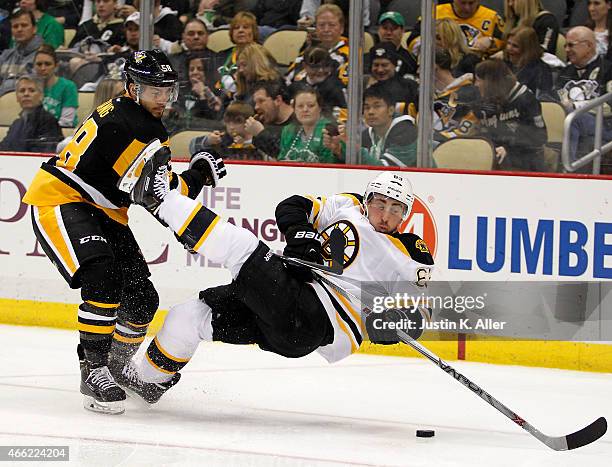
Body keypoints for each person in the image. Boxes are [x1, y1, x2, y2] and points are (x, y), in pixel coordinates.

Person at [116, 159, 434, 404]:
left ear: (405, 215)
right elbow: (293, 206)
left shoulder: (411, 251)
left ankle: (161, 199)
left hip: (315, 321)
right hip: (286, 302)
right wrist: (301, 236)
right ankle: (146, 380)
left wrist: (394, 322)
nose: (385, 214)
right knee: (189, 316)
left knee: (241, 248)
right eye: (380, 203)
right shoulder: (347, 205)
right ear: (367, 200)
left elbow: (424, 309)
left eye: (396, 208)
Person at [21, 49, 213, 415]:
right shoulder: (137, 125)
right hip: (62, 198)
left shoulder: (133, 116)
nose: (162, 99)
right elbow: (156, 196)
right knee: (103, 276)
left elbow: (154, 187)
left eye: (167, 91)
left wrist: (191, 177)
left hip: (106, 210)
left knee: (142, 300)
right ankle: (93, 368)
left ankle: (117, 367)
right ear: (131, 87)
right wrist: (199, 175)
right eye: (154, 90)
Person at [474, 59, 548, 171]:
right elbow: (484, 131)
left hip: (525, 160)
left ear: (490, 82)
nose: (476, 84)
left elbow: (539, 136)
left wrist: (508, 149)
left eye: (478, 80)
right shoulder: (487, 100)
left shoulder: (525, 99)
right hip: (495, 155)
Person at [555, 26, 612, 164]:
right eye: (565, 45)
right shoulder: (565, 72)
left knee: (573, 117)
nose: (566, 50)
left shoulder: (609, 69)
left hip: (603, 125)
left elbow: (609, 106)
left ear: (589, 46)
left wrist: (574, 106)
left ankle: (569, 168)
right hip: (569, 123)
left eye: (571, 45)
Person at [324, 83, 419, 166]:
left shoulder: (406, 132)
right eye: (367, 107)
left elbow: (386, 172)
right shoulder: (367, 135)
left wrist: (352, 146)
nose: (370, 112)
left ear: (391, 110)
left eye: (377, 106)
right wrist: (339, 151)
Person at [410, 0, 505, 57]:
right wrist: (432, 43)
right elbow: (411, 40)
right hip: (441, 65)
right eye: (462, 3)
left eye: (471, 3)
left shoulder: (491, 17)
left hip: (478, 68)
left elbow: (507, 44)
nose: (467, 8)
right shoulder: (435, 12)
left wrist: (491, 41)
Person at [287, 4, 349, 86]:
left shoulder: (350, 51)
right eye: (321, 25)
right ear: (315, 28)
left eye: (332, 25)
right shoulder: (309, 50)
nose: (326, 30)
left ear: (341, 28)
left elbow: (327, 79)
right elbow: (290, 77)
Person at [0, 74, 62, 151]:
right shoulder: (16, 124)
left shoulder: (48, 121)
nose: (26, 94)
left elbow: (45, 152)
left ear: (41, 96)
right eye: (22, 91)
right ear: (17, 97)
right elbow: (3, 148)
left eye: (31, 90)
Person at [278, 86, 339, 163]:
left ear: (319, 108)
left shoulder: (329, 129)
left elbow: (331, 163)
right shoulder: (288, 130)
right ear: (294, 110)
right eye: (300, 106)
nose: (305, 110)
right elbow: (281, 161)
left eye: (311, 106)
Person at [433, 49, 480, 141]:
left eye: (420, 67)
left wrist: (435, 138)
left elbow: (466, 129)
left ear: (434, 67)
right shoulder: (425, 93)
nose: (418, 71)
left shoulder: (469, 92)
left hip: (456, 148)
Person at [366, 42, 419, 118]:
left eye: (385, 65)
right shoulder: (365, 88)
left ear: (395, 65)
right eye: (376, 65)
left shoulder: (410, 87)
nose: (380, 69)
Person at [288, 46, 347, 115]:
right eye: (315, 66)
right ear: (305, 66)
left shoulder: (337, 87)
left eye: (326, 66)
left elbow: (345, 113)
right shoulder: (295, 88)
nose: (320, 70)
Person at [503, 26, 555, 99]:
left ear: (527, 49)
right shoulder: (503, 63)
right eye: (508, 43)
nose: (509, 48)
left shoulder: (541, 70)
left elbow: (543, 99)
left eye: (515, 46)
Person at [0, 9, 44, 96]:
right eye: (15, 26)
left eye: (24, 25)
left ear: (34, 29)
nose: (19, 29)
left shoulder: (44, 55)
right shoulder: (6, 55)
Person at [34, 44, 79, 127]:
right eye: (39, 64)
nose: (43, 68)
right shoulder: (31, 87)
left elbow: (67, 122)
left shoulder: (68, 87)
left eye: (47, 64)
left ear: (56, 66)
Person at [216, 11, 259, 96]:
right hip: (223, 100)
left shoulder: (261, 55)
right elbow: (217, 86)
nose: (240, 30)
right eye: (236, 28)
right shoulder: (222, 55)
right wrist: (222, 92)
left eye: (245, 27)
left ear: (254, 31)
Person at [373, 11, 418, 80]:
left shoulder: (410, 61)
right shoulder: (367, 58)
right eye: (385, 28)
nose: (388, 33)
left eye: (393, 28)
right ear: (378, 30)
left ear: (403, 31)